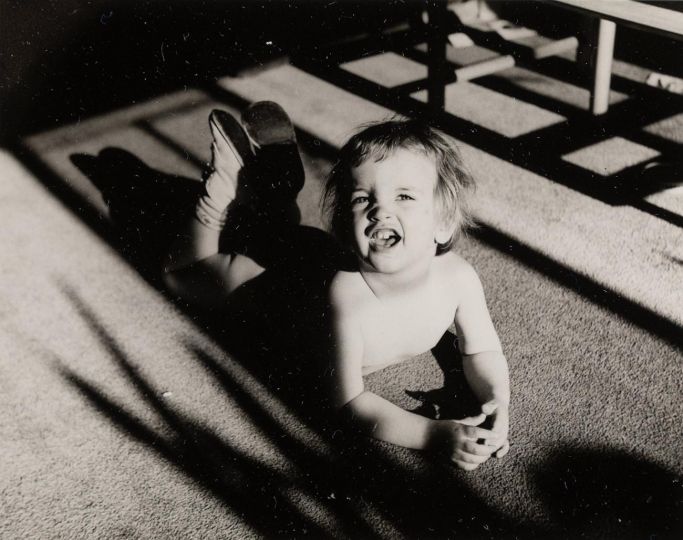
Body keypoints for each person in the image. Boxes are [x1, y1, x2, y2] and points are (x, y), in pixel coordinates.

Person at [164, 102, 510, 471]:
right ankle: (219, 196)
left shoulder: (459, 278)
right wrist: (433, 434)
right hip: (273, 283)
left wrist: (496, 401)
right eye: (363, 199)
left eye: (404, 196)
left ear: (444, 223)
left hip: (312, 254)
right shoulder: (349, 297)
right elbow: (349, 401)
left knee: (273, 228)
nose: (380, 211)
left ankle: (274, 186)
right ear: (346, 227)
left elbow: (482, 350)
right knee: (181, 275)